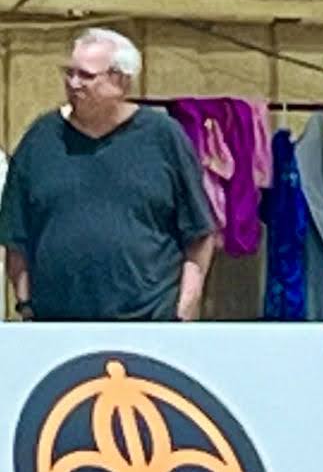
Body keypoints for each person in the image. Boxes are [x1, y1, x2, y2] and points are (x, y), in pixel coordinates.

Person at [0, 28, 215, 323]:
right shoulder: (41, 139)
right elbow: (15, 236)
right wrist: (26, 305)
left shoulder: (164, 137)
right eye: (69, 73)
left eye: (86, 76)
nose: (74, 83)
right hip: (56, 326)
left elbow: (199, 233)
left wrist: (184, 310)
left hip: (150, 323)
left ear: (121, 80)